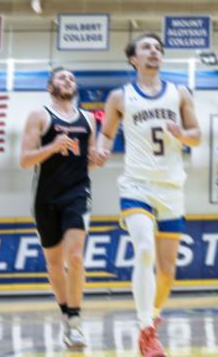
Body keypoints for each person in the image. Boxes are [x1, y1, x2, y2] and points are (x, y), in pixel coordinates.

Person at [95, 33, 202, 357]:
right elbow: (106, 135)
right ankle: (145, 328)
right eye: (146, 47)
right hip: (136, 186)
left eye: (158, 48)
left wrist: (183, 135)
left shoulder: (179, 93)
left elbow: (197, 136)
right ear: (134, 59)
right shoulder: (119, 97)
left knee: (167, 273)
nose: (154, 51)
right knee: (143, 250)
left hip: (171, 188)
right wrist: (101, 151)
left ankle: (151, 318)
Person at [21, 66, 96, 349]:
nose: (68, 80)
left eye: (72, 78)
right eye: (62, 77)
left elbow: (89, 161)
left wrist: (97, 159)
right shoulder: (39, 116)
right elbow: (25, 160)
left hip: (77, 192)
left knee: (75, 257)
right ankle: (66, 314)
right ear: (50, 85)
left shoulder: (89, 118)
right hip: (46, 196)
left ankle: (75, 320)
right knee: (54, 263)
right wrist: (52, 147)